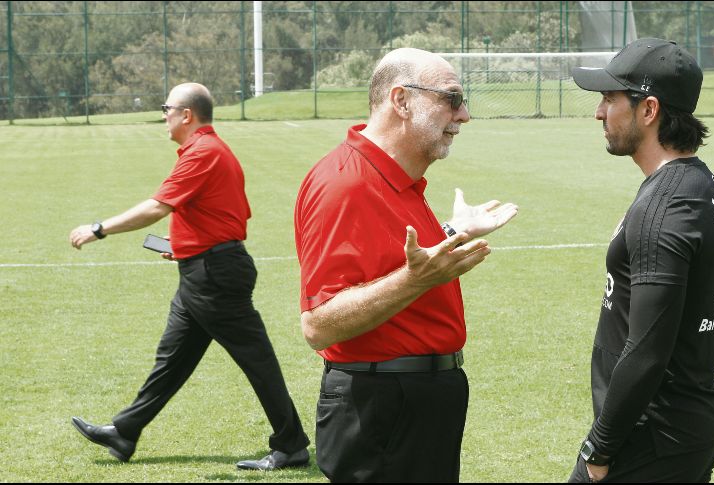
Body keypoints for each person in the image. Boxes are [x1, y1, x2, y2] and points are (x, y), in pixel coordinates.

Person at [293, 48, 518, 483]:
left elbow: (397, 261)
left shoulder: (395, 178)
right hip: (382, 406)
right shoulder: (346, 183)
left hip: (414, 400)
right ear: (401, 100)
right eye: (451, 99)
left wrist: (452, 232)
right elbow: (319, 325)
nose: (464, 114)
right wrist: (415, 281)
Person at [68, 82, 310, 471]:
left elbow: (156, 207)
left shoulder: (203, 152)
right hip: (205, 270)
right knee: (172, 359)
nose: (163, 115)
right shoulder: (213, 152)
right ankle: (125, 430)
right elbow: (231, 215)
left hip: (214, 275)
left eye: (167, 108)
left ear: (187, 114)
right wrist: (183, 243)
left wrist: (99, 228)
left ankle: (292, 444)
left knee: (257, 360)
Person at [568, 38, 714, 482]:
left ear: (649, 110)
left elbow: (647, 351)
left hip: (653, 434)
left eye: (610, 98)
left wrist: (598, 450)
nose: (600, 113)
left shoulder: (666, 208)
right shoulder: (699, 185)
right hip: (682, 424)